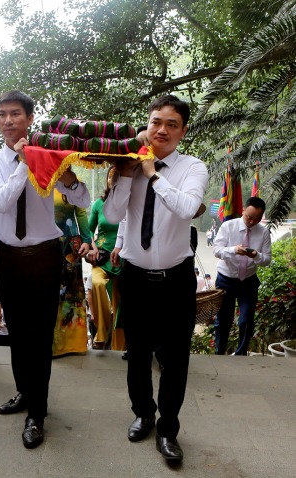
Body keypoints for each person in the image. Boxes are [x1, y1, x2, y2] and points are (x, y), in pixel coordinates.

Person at [0, 91, 90, 449]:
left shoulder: (49, 157)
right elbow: (1, 201)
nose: (8, 121)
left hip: (44, 255)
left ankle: (37, 414)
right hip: (9, 256)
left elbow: (82, 200)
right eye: (2, 115)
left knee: (40, 337)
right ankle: (24, 392)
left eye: (15, 114)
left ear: (29, 118)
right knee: (16, 332)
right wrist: (28, 162)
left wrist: (67, 178)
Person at [103, 95, 208, 462]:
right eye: (156, 122)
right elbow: (114, 217)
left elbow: (184, 208)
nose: (161, 130)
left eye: (171, 124)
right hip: (134, 277)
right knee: (137, 355)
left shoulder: (193, 168)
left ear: (183, 130)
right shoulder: (130, 165)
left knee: (176, 359)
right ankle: (143, 414)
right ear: (147, 124)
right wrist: (125, 177)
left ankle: (168, 429)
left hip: (176, 278)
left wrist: (152, 174)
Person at [213, 196, 271, 356]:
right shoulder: (228, 226)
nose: (252, 222)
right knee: (223, 320)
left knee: (246, 320)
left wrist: (256, 255)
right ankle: (219, 353)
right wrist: (232, 250)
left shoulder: (263, 232)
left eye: (257, 219)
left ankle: (241, 354)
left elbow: (267, 260)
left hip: (249, 281)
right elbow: (216, 250)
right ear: (243, 211)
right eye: (249, 217)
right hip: (226, 279)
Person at [86, 167, 125, 351]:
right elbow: (87, 231)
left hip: (124, 260)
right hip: (101, 258)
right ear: (107, 180)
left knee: (121, 303)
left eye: (118, 175)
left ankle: (119, 347)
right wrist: (92, 248)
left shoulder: (130, 202)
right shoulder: (99, 204)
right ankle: (102, 331)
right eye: (111, 175)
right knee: (97, 283)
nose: (113, 178)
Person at [52, 189, 91, 355]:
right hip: (45, 243)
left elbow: (81, 211)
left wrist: (87, 240)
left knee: (71, 293)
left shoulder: (72, 183)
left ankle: (70, 343)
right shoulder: (39, 177)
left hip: (70, 243)